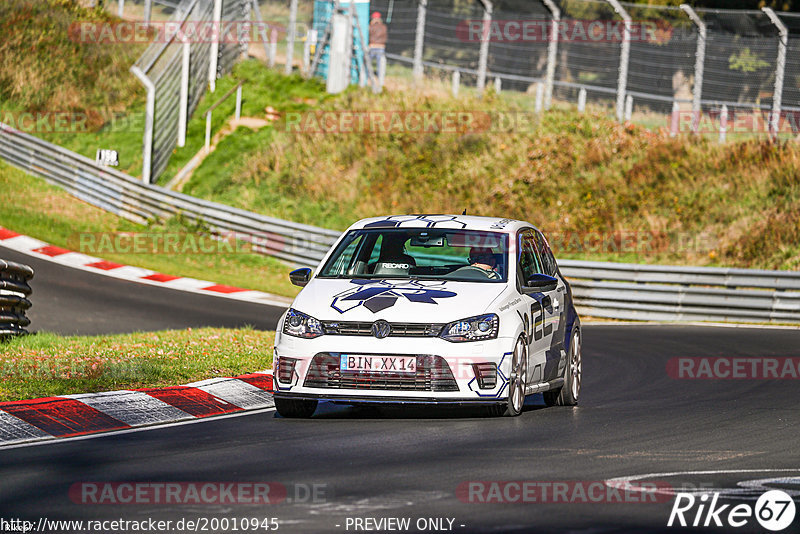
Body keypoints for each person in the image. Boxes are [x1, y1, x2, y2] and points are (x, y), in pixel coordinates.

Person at [369, 12, 387, 83]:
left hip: (372, 46)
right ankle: (381, 79)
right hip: (381, 47)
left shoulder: (370, 26)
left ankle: (368, 77)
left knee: (368, 63)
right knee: (381, 65)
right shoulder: (383, 27)